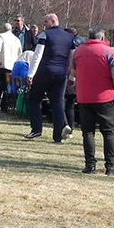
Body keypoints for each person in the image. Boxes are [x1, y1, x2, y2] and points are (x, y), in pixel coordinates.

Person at [71, 28, 114, 175]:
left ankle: (90, 165)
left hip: (84, 96)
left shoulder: (78, 52)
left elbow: (73, 72)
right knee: (108, 132)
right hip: (105, 97)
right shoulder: (109, 52)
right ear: (102, 38)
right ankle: (111, 167)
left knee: (87, 132)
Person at [25, 14, 75, 143]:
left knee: (34, 99)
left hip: (45, 71)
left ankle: (36, 129)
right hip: (61, 74)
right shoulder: (70, 38)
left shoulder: (45, 34)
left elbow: (37, 55)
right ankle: (58, 136)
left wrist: (31, 74)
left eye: (46, 21)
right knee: (58, 103)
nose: (44, 24)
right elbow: (72, 59)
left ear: (53, 21)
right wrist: (71, 77)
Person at [0, 22, 22, 113]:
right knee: (6, 86)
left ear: (3, 29)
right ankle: (4, 106)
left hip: (0, 65)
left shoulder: (0, 36)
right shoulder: (17, 40)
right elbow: (20, 53)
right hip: (11, 67)